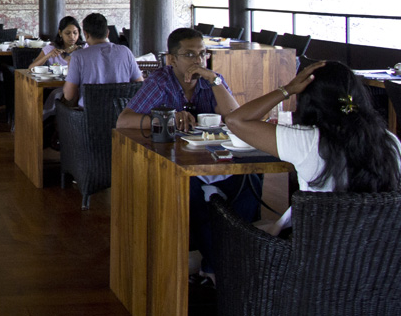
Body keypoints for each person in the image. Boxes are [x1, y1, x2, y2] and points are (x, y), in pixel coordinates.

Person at [116, 27, 258, 284]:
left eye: (202, 54)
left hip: (214, 158)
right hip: (176, 163)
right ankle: (217, 265)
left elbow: (236, 119)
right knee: (189, 192)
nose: (198, 61)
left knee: (252, 181)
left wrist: (213, 79)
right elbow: (124, 121)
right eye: (190, 55)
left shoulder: (211, 80)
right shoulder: (161, 82)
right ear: (172, 59)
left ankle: (225, 256)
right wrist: (164, 118)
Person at [225, 60, 401, 234]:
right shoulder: (391, 142)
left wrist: (287, 89)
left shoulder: (307, 141)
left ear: (308, 99)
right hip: (380, 253)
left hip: (317, 253)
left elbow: (235, 120)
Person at [61, 13, 143, 106]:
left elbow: (69, 95)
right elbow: (140, 85)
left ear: (86, 34)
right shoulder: (125, 52)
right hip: (120, 115)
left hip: (88, 116)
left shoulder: (78, 56)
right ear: (107, 33)